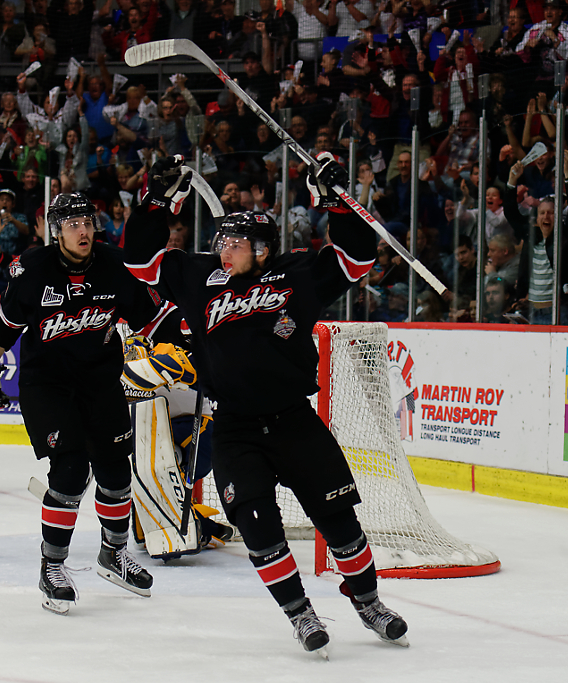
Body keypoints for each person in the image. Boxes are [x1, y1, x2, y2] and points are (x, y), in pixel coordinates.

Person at [124, 154, 408, 654]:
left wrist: (335, 201)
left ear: (261, 248)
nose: (223, 251)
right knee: (256, 526)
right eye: (219, 243)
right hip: (234, 425)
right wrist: (153, 202)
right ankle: (301, 615)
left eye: (233, 244)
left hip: (294, 420)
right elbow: (141, 261)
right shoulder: (199, 278)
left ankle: (368, 602)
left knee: (340, 521)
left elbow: (355, 259)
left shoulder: (296, 272)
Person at [0, 192, 184, 615]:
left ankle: (113, 553)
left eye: (87, 222)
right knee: (71, 471)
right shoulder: (34, 270)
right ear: (57, 232)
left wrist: (192, 334)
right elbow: (5, 326)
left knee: (114, 470)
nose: (83, 230)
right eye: (72, 224)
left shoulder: (115, 265)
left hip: (101, 382)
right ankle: (51, 566)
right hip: (48, 386)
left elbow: (151, 318)